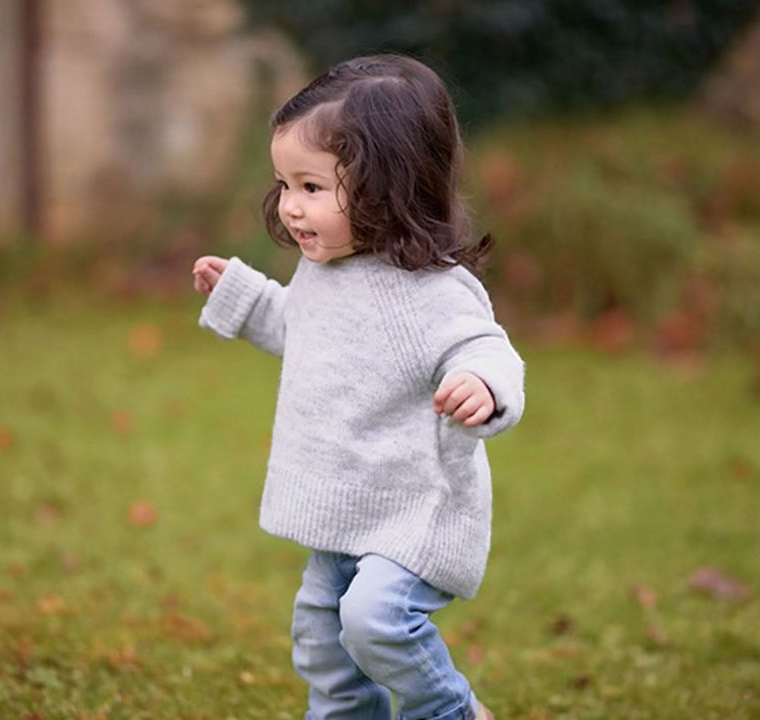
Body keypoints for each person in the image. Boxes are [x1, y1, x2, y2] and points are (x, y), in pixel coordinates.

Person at [191, 54, 524, 720]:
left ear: (387, 186)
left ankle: (453, 713)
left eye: (312, 186)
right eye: (284, 184)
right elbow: (303, 331)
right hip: (344, 509)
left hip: (414, 509)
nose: (290, 207)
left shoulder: (432, 292)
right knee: (323, 641)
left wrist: (480, 383)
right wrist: (245, 296)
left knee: (375, 621)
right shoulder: (326, 275)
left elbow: (487, 348)